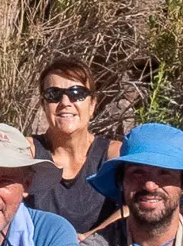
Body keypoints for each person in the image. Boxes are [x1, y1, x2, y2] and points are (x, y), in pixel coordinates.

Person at [24, 57, 118, 234]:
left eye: (77, 93)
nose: (65, 102)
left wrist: (91, 239)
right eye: (54, 94)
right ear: (44, 105)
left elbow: (136, 206)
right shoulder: (25, 153)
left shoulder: (114, 155)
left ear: (92, 104)